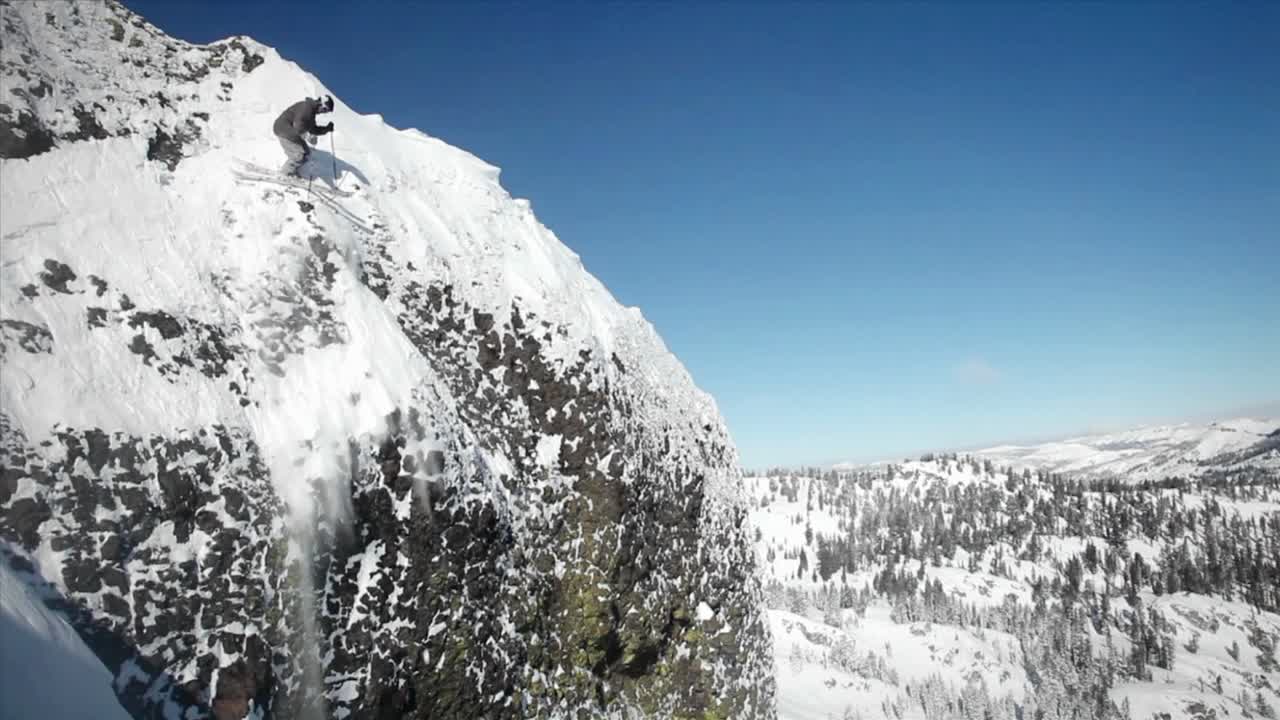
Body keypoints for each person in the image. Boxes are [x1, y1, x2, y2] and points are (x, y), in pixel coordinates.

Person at [272, 95, 334, 177]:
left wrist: (327, 129)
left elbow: (313, 129)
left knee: (306, 153)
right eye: (325, 110)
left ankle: (292, 171)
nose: (323, 112)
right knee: (298, 155)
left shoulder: (311, 113)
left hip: (293, 133)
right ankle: (285, 174)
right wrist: (307, 135)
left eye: (326, 111)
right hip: (283, 129)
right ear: (321, 104)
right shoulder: (306, 107)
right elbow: (298, 124)